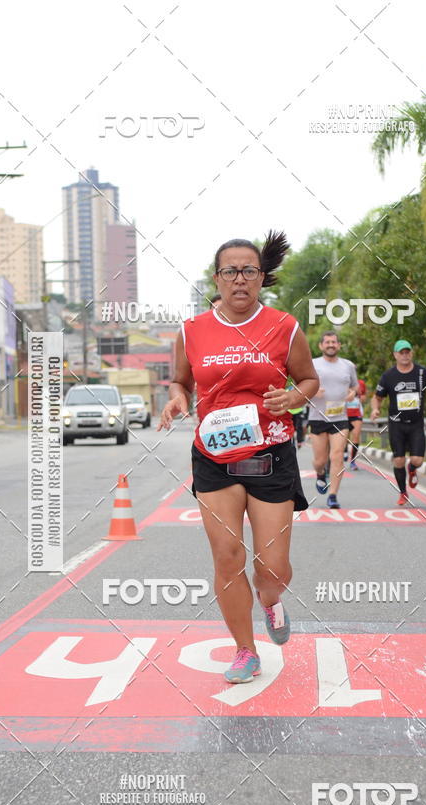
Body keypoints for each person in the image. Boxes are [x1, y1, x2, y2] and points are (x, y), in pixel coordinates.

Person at [158, 231, 319, 683]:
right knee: (227, 556)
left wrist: (292, 397)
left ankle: (270, 599)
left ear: (262, 277)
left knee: (272, 568)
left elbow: (308, 380)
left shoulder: (284, 327)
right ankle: (245, 650)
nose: (240, 279)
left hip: (270, 454)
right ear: (217, 278)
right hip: (214, 455)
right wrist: (175, 399)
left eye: (249, 270)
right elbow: (181, 382)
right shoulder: (191, 331)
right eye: (231, 271)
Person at [370, 340, 426, 505]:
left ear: (411, 353)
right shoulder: (388, 376)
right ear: (395, 355)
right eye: (401, 352)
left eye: (407, 352)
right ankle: (403, 492)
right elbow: (377, 397)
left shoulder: (422, 373)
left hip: (416, 423)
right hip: (396, 424)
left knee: (417, 460)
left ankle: (412, 469)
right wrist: (375, 409)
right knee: (399, 460)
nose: (404, 355)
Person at [306, 332, 358, 508]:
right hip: (317, 417)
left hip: (340, 417)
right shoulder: (312, 364)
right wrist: (312, 391)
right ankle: (320, 473)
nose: (331, 345)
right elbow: (300, 387)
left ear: (339, 345)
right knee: (320, 461)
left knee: (336, 456)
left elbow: (354, 386)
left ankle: (333, 495)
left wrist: (353, 393)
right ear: (321, 346)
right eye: (327, 342)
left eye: (334, 342)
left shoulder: (348, 365)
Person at [345, 378, 367, 470]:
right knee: (344, 437)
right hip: (343, 414)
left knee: (356, 437)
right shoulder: (341, 381)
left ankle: (353, 461)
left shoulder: (360, 383)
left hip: (356, 414)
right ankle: (345, 451)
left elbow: (364, 398)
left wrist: (359, 395)